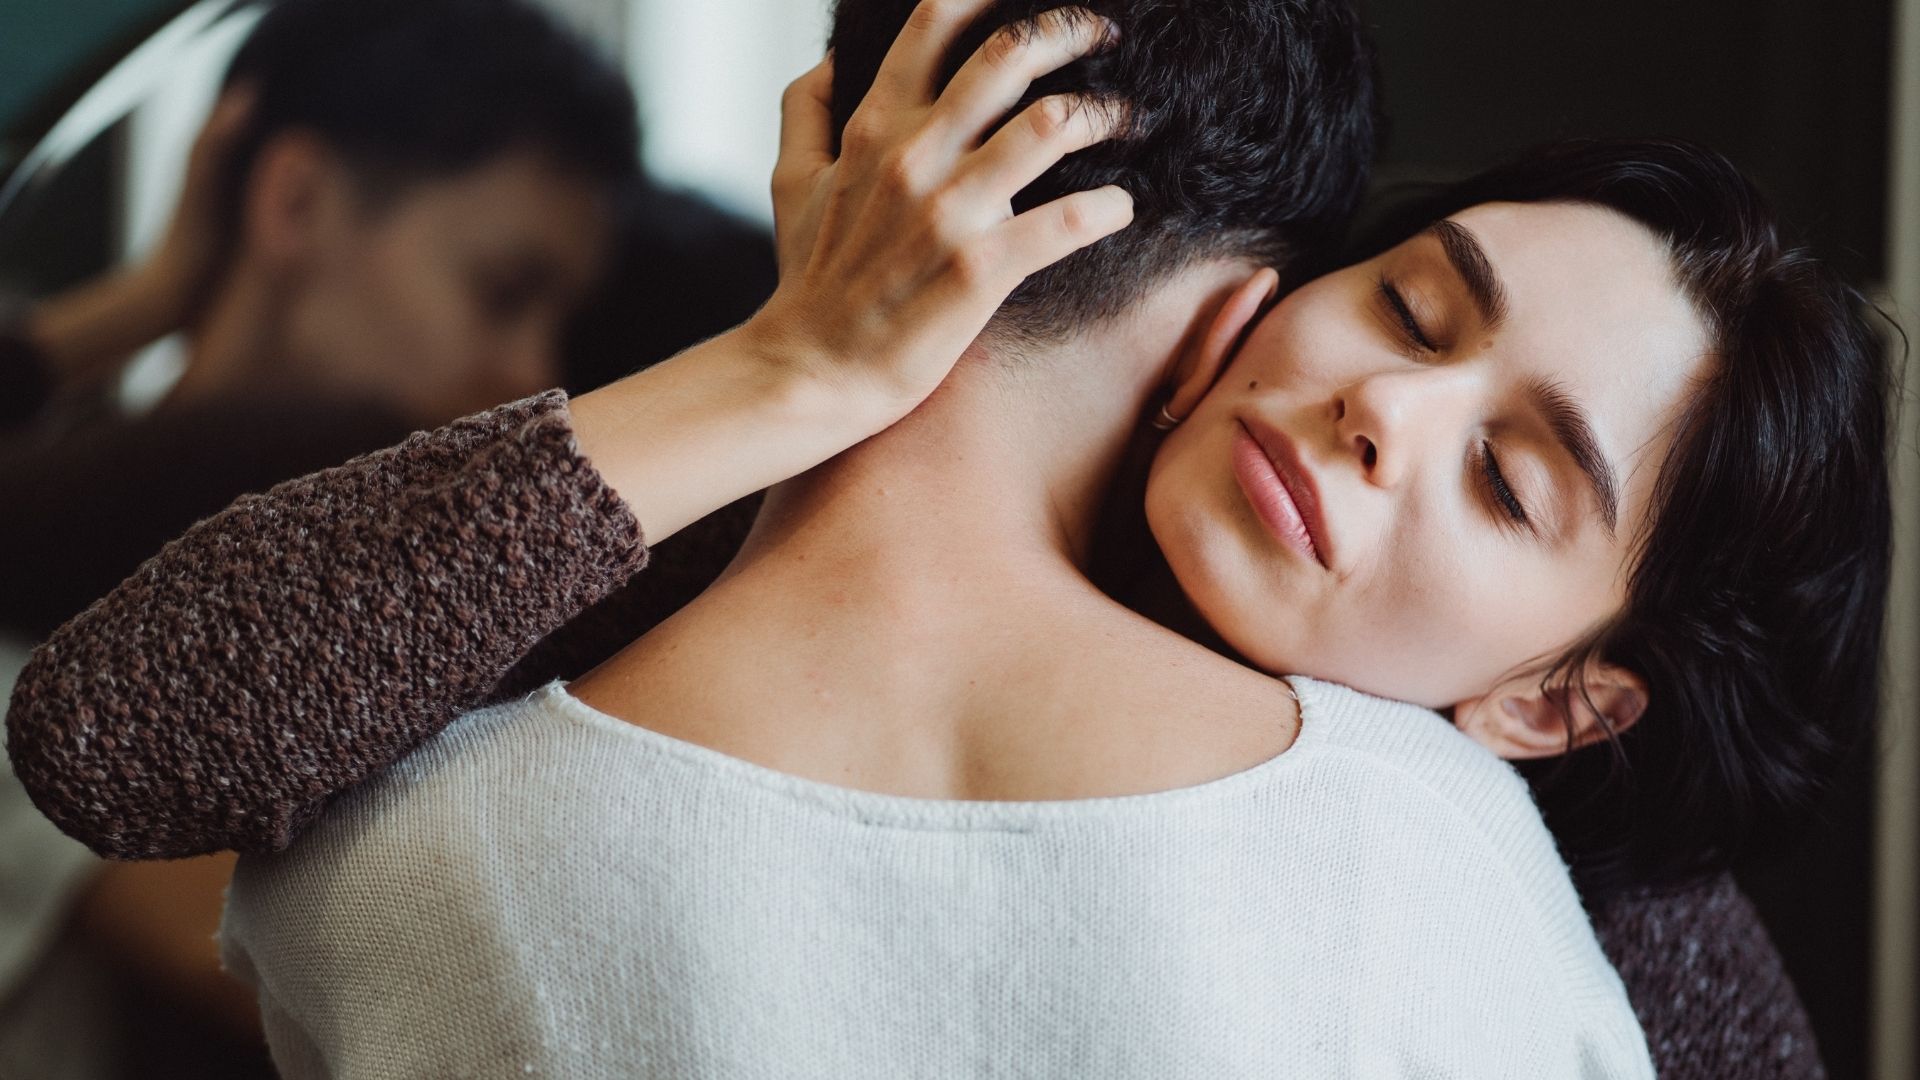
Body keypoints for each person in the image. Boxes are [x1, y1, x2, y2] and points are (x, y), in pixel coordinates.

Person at [10, 0, 1877, 1075]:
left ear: (1561, 701)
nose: (1390, 410)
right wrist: (791, 364)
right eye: (1407, 306)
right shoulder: (621, 587)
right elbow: (118, 729)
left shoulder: (1550, 880)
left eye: (1510, 481)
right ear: (1244, 307)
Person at [0, 1, 641, 1075]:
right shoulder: (33, 596)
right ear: (295, 199)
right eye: (501, 290)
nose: (532, 377)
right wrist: (147, 302)